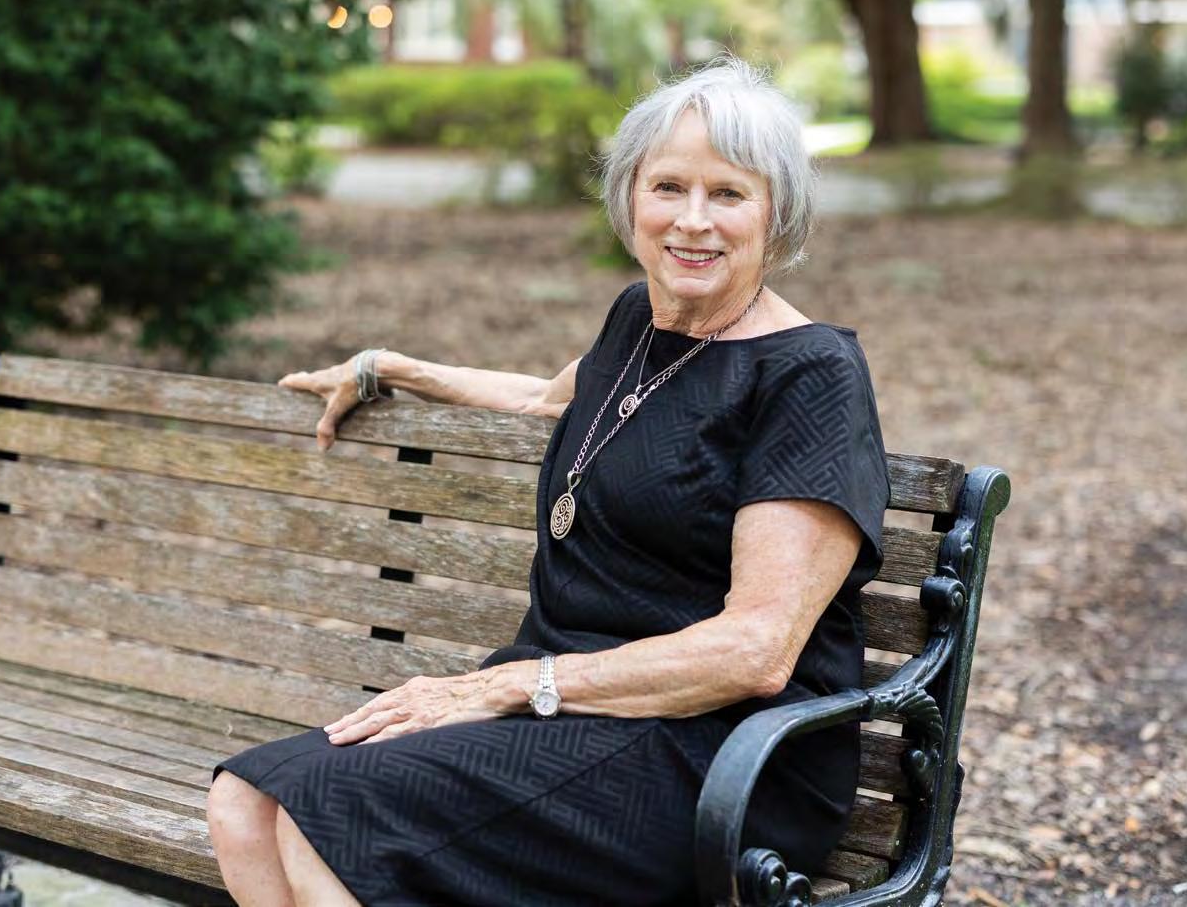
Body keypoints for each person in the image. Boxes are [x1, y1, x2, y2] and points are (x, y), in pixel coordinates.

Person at [206, 53, 891, 907]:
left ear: (775, 211)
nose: (692, 220)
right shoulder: (640, 321)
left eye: (727, 193)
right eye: (668, 186)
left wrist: (504, 686)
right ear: (629, 197)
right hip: (570, 706)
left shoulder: (807, 375)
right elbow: (545, 399)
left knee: (333, 821)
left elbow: (754, 651)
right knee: (244, 803)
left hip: (720, 751)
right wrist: (388, 367)